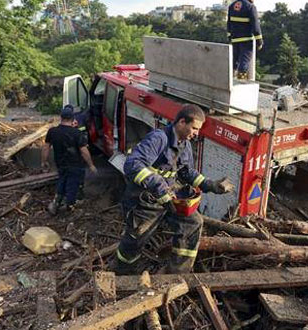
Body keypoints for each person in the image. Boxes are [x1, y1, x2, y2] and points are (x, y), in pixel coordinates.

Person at [115, 104, 234, 274]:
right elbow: (133, 164)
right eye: (194, 128)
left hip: (169, 198)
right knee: (136, 239)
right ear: (181, 122)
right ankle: (123, 273)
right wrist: (159, 187)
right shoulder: (159, 138)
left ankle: (178, 273)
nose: (196, 133)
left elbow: (186, 172)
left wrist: (210, 185)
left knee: (193, 222)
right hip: (145, 201)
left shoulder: (184, 144)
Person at [42, 105, 97, 215]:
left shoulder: (52, 131)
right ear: (73, 119)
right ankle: (69, 206)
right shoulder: (77, 133)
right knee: (72, 185)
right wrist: (91, 164)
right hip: (75, 164)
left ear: (61, 118)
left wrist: (44, 161)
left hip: (60, 163)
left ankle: (56, 202)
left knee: (62, 180)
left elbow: (45, 147)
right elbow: (84, 151)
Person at [228, 0, 263, 80]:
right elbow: (255, 26)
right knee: (244, 62)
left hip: (234, 40)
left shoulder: (232, 5)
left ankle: (231, 80)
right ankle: (241, 81)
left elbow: (229, 23)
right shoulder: (250, 7)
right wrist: (259, 42)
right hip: (246, 41)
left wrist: (230, 37)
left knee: (233, 62)